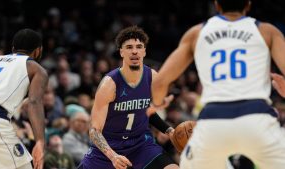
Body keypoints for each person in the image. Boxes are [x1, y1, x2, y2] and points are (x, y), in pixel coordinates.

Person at [151, 0, 285, 168]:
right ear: (248, 5)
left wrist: (158, 103)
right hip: (257, 119)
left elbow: (159, 83)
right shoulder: (267, 31)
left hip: (213, 122)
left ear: (217, 5)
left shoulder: (196, 33)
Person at [78, 26, 178, 169]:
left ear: (144, 51)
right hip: (109, 148)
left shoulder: (152, 77)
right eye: (129, 47)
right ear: (121, 52)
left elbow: (147, 111)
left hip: (141, 145)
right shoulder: (109, 84)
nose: (135, 51)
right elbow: (94, 130)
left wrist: (169, 131)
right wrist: (113, 156)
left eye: (139, 47)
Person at [0, 29, 48, 169]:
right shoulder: (35, 68)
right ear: (38, 51)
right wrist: (40, 141)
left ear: (13, 49)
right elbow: (34, 102)